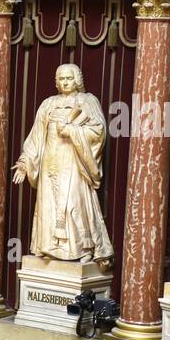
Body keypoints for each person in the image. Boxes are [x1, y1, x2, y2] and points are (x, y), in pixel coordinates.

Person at [11, 63, 113, 266]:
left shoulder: (87, 101)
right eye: (61, 79)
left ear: (77, 79)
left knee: (73, 204)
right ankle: (49, 247)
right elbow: (36, 136)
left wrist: (73, 131)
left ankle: (83, 248)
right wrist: (25, 162)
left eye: (69, 78)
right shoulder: (48, 103)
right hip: (50, 163)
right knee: (49, 204)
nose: (65, 82)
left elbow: (99, 132)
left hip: (74, 162)